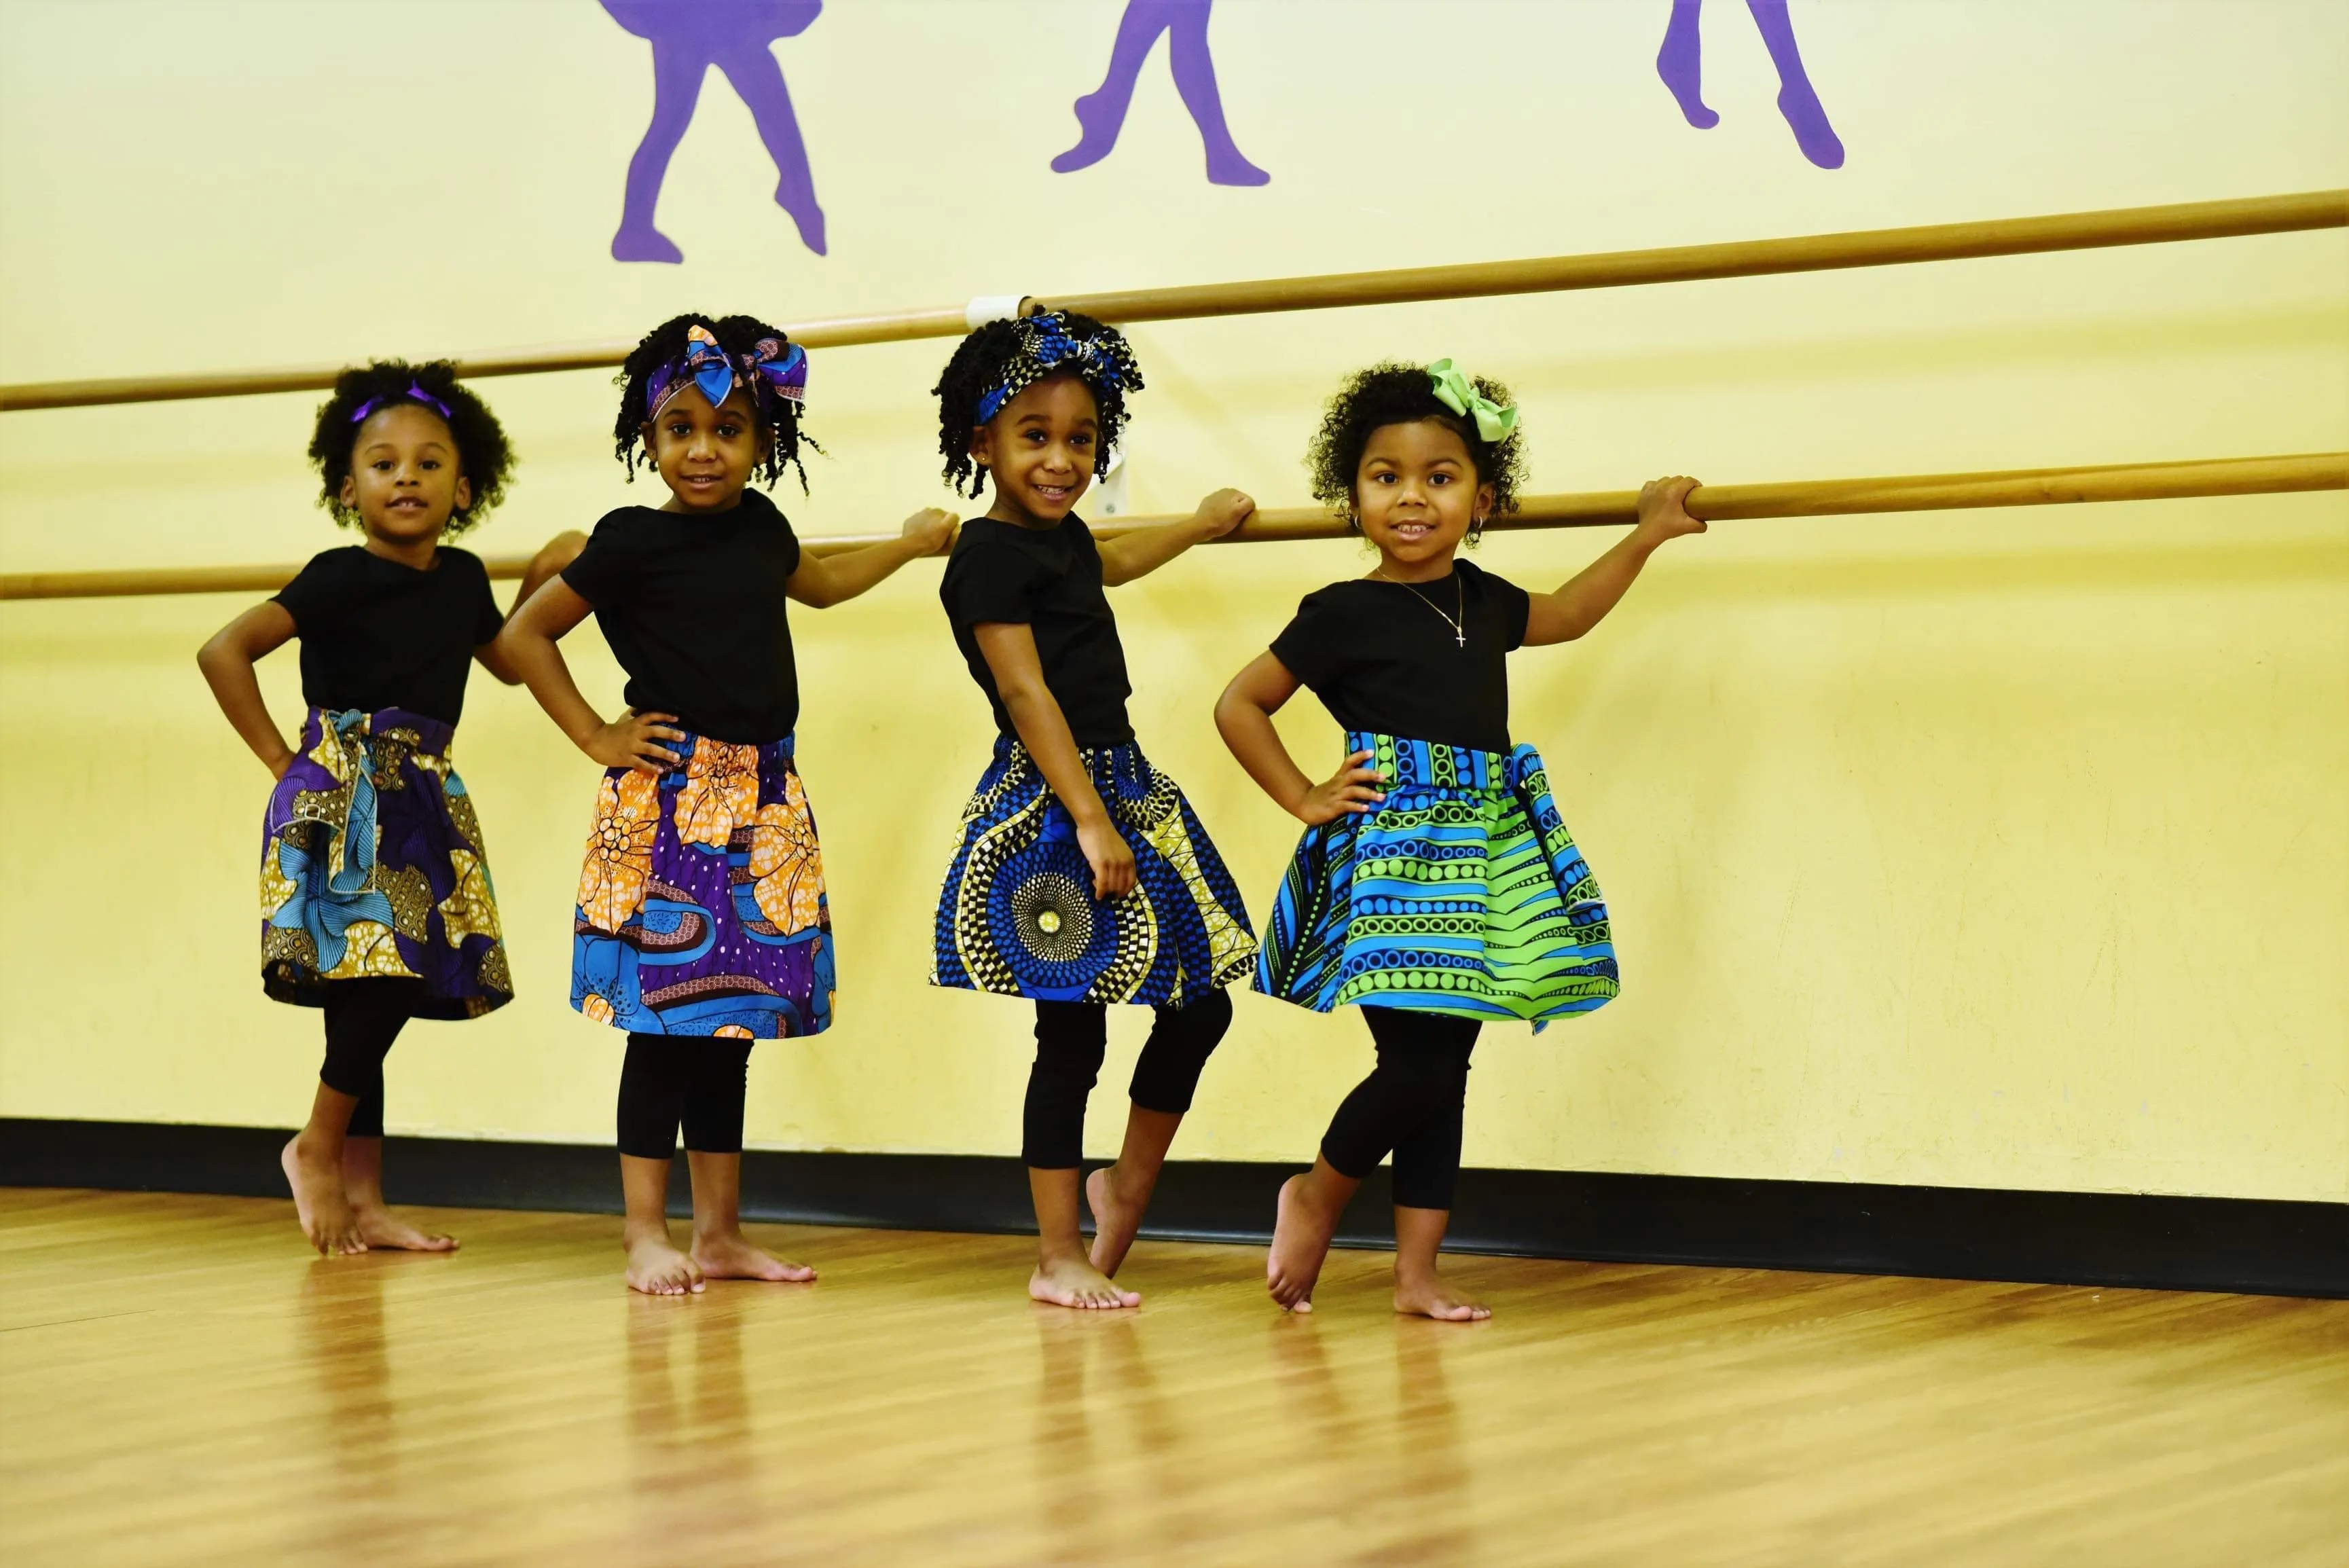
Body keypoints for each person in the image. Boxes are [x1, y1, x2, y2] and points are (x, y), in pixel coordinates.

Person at [1216, 359, 1705, 1317]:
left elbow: (1565, 613)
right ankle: (1314, 1193)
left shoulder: (1481, 600)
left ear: (1480, 498)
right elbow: (1240, 704)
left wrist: (1646, 535)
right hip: (1394, 853)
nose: (1410, 497)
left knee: (1447, 1067)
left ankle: (1415, 1276)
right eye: (1385, 476)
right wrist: (1304, 794)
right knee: (1418, 1066)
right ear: (1349, 492)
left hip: (1482, 848)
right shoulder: (1341, 613)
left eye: (1438, 477)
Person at [497, 312, 955, 1294]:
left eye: (729, 428)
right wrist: (595, 735)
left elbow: (823, 587)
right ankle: (641, 1234)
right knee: (661, 1027)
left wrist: (912, 545)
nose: (702, 449)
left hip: (765, 796)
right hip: (668, 804)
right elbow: (527, 640)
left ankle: (719, 1235)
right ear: (647, 437)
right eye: (679, 428)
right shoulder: (625, 542)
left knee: (729, 1028)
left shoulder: (760, 528)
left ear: (763, 438)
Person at [928, 310, 1259, 1309]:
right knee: (1070, 1034)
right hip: (1055, 794)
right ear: (980, 442)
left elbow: (1105, 566)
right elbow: (1027, 695)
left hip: (1116, 776)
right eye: (1034, 437)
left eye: (1080, 440)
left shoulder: (1064, 538)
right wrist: (1087, 818)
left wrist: (1195, 528)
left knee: (1199, 1001)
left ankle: (1124, 1184)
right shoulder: (984, 555)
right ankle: (1054, 1253)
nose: (1061, 460)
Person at [198, 361, 560, 1256]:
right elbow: (223, 651)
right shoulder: (335, 576)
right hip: (345, 798)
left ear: (464, 488)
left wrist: (546, 579)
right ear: (347, 486)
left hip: (423, 792)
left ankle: (364, 1201)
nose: (408, 477)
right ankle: (315, 1147)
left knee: (374, 991)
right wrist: (287, 763)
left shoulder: (462, 577)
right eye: (385, 463)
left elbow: (508, 662)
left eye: (430, 463)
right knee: (379, 980)